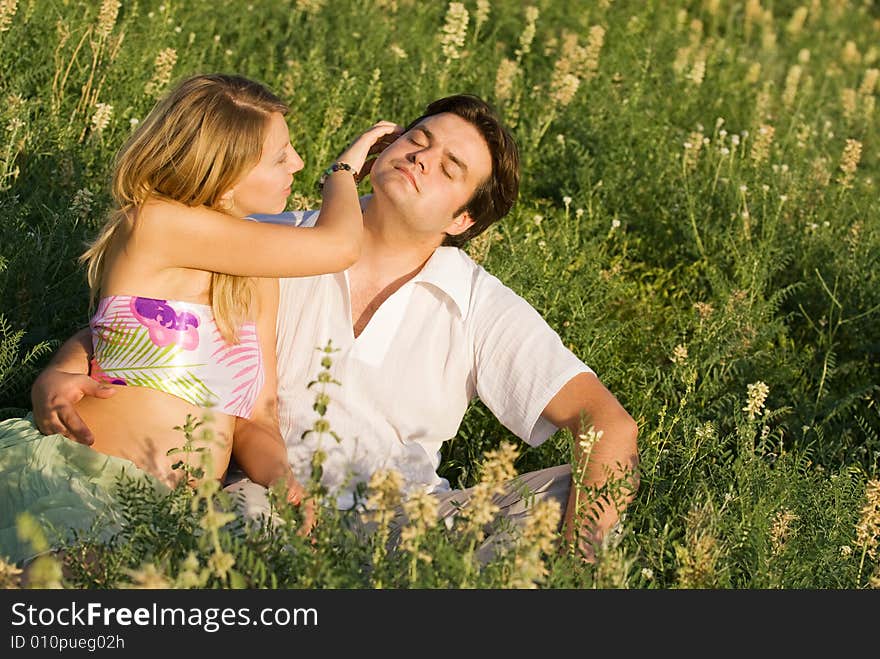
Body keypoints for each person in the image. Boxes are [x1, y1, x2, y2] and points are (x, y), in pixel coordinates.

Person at [30, 94, 639, 564]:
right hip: (265, 496)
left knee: (560, 498)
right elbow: (163, 321)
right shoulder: (277, 241)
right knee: (205, 541)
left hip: (405, 518)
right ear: (384, 148)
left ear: (463, 218)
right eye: (417, 139)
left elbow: (607, 425)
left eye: (450, 167)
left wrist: (577, 560)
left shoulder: (478, 303)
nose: (422, 157)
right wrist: (65, 365)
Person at [0, 72, 401, 565]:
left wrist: (282, 482)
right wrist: (342, 172)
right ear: (225, 172)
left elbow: (256, 418)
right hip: (85, 480)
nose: (297, 163)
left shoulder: (254, 275)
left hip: (172, 515)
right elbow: (340, 245)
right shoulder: (155, 223)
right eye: (281, 156)